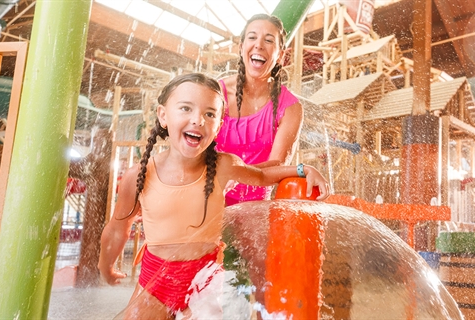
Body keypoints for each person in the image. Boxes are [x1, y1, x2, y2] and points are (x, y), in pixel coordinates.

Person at [97, 73, 329, 319]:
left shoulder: (222, 166)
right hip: (155, 283)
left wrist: (303, 170)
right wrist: (106, 266)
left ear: (219, 126)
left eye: (210, 114)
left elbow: (261, 176)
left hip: (204, 283)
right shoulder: (140, 175)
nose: (197, 120)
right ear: (163, 116)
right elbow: (117, 227)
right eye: (186, 108)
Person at [215, 13, 304, 206]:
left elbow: (277, 165)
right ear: (241, 48)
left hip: (254, 209)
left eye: (269, 40)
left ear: (280, 56)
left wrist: (236, 173)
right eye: (252, 37)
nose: (259, 45)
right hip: (210, 196)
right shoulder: (216, 94)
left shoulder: (290, 108)